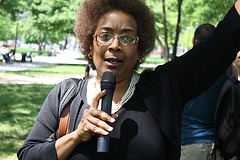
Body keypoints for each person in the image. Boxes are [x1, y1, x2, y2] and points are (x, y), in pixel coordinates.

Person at [17, 0, 240, 159]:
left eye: (127, 37)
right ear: (90, 42)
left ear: (139, 48)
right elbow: (28, 155)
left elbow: (222, 44)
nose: (115, 45)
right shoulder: (65, 95)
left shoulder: (162, 88)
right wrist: (76, 136)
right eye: (104, 35)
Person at [180, 24, 226, 160]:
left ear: (194, 41)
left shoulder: (181, 69)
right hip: (218, 146)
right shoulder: (224, 70)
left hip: (190, 143)